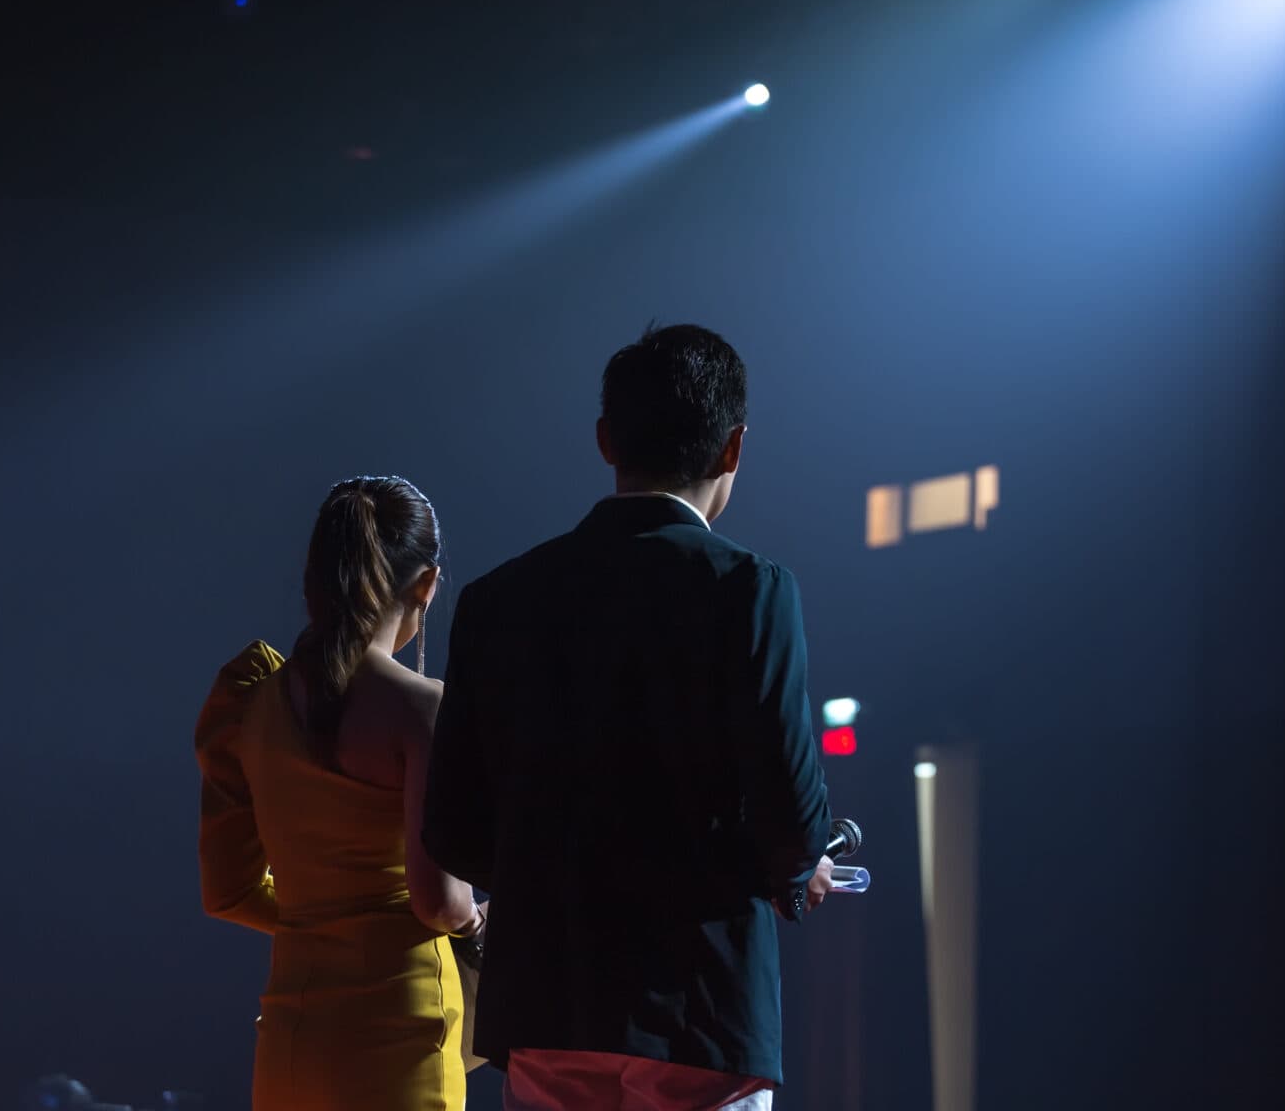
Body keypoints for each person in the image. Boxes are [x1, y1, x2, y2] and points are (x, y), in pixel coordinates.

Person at [423, 324, 835, 1111]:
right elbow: (789, 807)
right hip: (702, 1009)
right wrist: (791, 872)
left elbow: (454, 831)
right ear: (734, 449)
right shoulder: (751, 589)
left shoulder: (496, 601)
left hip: (549, 1000)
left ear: (607, 440)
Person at [195, 476, 484, 1111]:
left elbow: (229, 892)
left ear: (314, 580)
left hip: (294, 1032)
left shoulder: (251, 701)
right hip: (402, 1028)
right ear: (427, 584)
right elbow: (438, 901)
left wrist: (321, 918)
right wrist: (478, 922)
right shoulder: (422, 710)